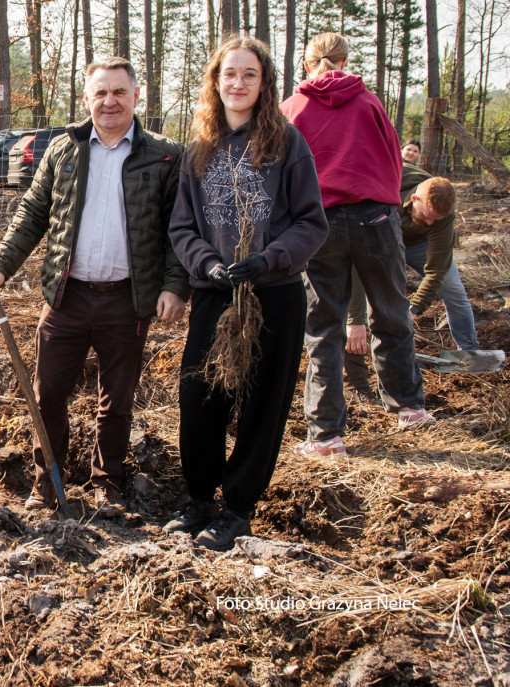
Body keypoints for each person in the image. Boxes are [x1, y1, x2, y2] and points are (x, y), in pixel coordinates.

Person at [0, 57, 190, 516]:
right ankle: (46, 481)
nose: (109, 101)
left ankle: (107, 482)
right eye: (100, 92)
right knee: (48, 393)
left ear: (136, 97)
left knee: (117, 401)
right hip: (66, 297)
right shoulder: (63, 149)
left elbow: (177, 228)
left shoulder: (166, 155)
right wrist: (0, 267)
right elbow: (33, 213)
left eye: (119, 92)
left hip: (127, 300)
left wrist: (175, 286)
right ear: (86, 97)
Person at [163, 37, 329, 550]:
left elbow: (311, 222)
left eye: (249, 75)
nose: (237, 83)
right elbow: (182, 227)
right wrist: (208, 264)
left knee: (262, 402)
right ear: (215, 82)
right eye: (228, 74)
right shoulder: (198, 152)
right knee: (201, 396)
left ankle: (237, 507)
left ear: (264, 83)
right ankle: (199, 499)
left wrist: (268, 258)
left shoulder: (287, 144)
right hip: (215, 296)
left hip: (273, 295)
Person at [280, 33, 433, 459]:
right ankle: (409, 407)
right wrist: (382, 201)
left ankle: (326, 434)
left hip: (319, 223)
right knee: (391, 309)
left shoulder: (292, 109)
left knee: (323, 325)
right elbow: (392, 159)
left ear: (307, 65)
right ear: (346, 60)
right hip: (376, 218)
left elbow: (279, 167)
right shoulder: (368, 102)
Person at [345, 169, 476, 395]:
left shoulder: (442, 218)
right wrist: (354, 319)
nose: (428, 222)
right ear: (414, 198)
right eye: (426, 216)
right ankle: (375, 359)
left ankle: (469, 352)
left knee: (453, 289)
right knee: (378, 293)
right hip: (381, 236)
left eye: (435, 220)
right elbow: (356, 262)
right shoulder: (390, 178)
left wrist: (415, 308)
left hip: (418, 244)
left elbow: (437, 270)